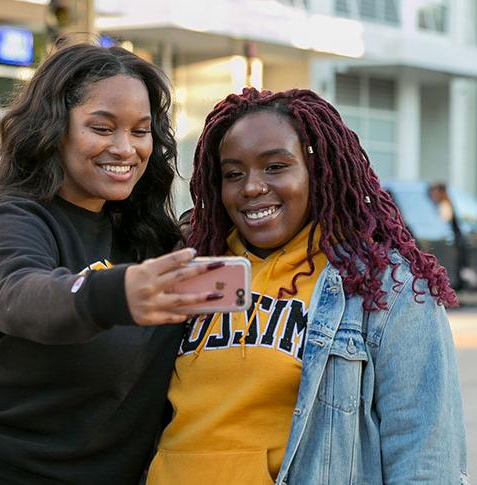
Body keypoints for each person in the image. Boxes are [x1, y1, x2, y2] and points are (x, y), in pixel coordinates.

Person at [0, 42, 224, 485]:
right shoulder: (11, 220)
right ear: (54, 129)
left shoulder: (147, 236)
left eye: (140, 131)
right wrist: (116, 292)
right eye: (102, 127)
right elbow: (23, 293)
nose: (125, 148)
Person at [147, 88, 468, 484]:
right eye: (233, 174)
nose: (251, 187)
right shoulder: (199, 270)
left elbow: (426, 456)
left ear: (318, 172)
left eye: (275, 167)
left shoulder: (382, 287)